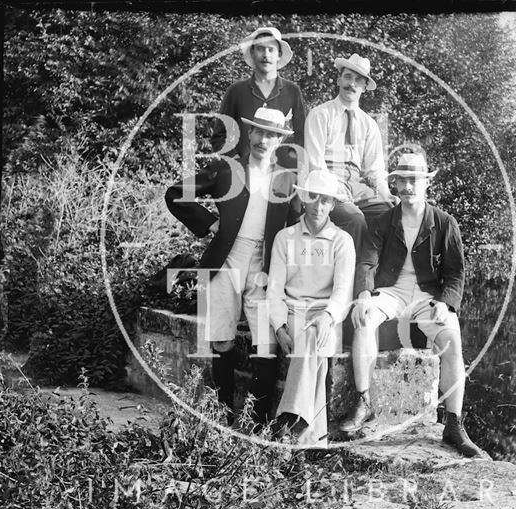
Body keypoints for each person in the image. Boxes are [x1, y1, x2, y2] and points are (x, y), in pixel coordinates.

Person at [339, 150, 487, 458]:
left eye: (414, 181)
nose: (407, 187)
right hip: (392, 291)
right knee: (364, 320)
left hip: (426, 295)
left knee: (451, 339)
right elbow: (367, 261)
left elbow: (456, 273)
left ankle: (453, 423)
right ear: (394, 184)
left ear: (426, 184)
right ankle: (364, 402)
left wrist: (446, 304)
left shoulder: (445, 223)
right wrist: (364, 294)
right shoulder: (382, 221)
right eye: (402, 181)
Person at [165, 107, 298, 426]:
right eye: (259, 132)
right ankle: (223, 414)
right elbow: (175, 195)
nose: (264, 140)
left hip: (264, 266)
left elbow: (297, 224)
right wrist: (211, 224)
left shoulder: (287, 179)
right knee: (222, 338)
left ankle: (259, 421)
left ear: (280, 139)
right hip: (225, 262)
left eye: (272, 135)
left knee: (266, 342)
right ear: (250, 133)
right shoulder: (227, 168)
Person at [266, 170, 355, 446]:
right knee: (309, 338)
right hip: (292, 313)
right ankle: (309, 433)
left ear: (332, 204)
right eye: (313, 197)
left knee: (315, 334)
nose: (319, 205)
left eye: (326, 200)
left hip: (325, 316)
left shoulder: (342, 241)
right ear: (304, 198)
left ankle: (289, 418)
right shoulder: (285, 238)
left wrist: (328, 317)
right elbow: (274, 289)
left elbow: (342, 292)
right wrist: (279, 327)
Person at [304, 53, 394, 257]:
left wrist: (385, 194)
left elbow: (374, 170)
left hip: (356, 184)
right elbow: (315, 162)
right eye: (347, 77)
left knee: (391, 214)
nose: (351, 84)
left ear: (364, 87)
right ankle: (354, 280)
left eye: (358, 80)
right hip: (325, 181)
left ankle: (380, 279)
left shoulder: (369, 124)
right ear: (338, 80)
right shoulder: (320, 114)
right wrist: (334, 189)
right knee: (354, 218)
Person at [210, 26, 306, 169]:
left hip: (278, 177)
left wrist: (289, 166)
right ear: (253, 53)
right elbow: (220, 136)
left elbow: (302, 136)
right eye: (260, 49)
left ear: (279, 54)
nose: (266, 55)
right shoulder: (236, 91)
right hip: (239, 174)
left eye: (271, 49)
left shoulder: (292, 91)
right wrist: (235, 162)